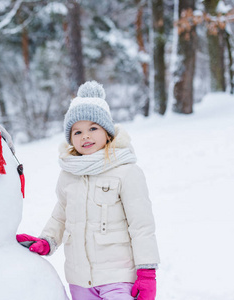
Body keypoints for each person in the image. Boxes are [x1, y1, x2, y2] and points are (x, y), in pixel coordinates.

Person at [16, 81, 160, 300]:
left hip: (118, 277)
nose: (85, 136)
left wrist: (147, 272)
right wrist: (47, 241)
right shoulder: (69, 174)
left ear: (107, 132)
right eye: (77, 131)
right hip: (79, 280)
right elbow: (61, 214)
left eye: (93, 128)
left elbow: (141, 226)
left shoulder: (126, 171)